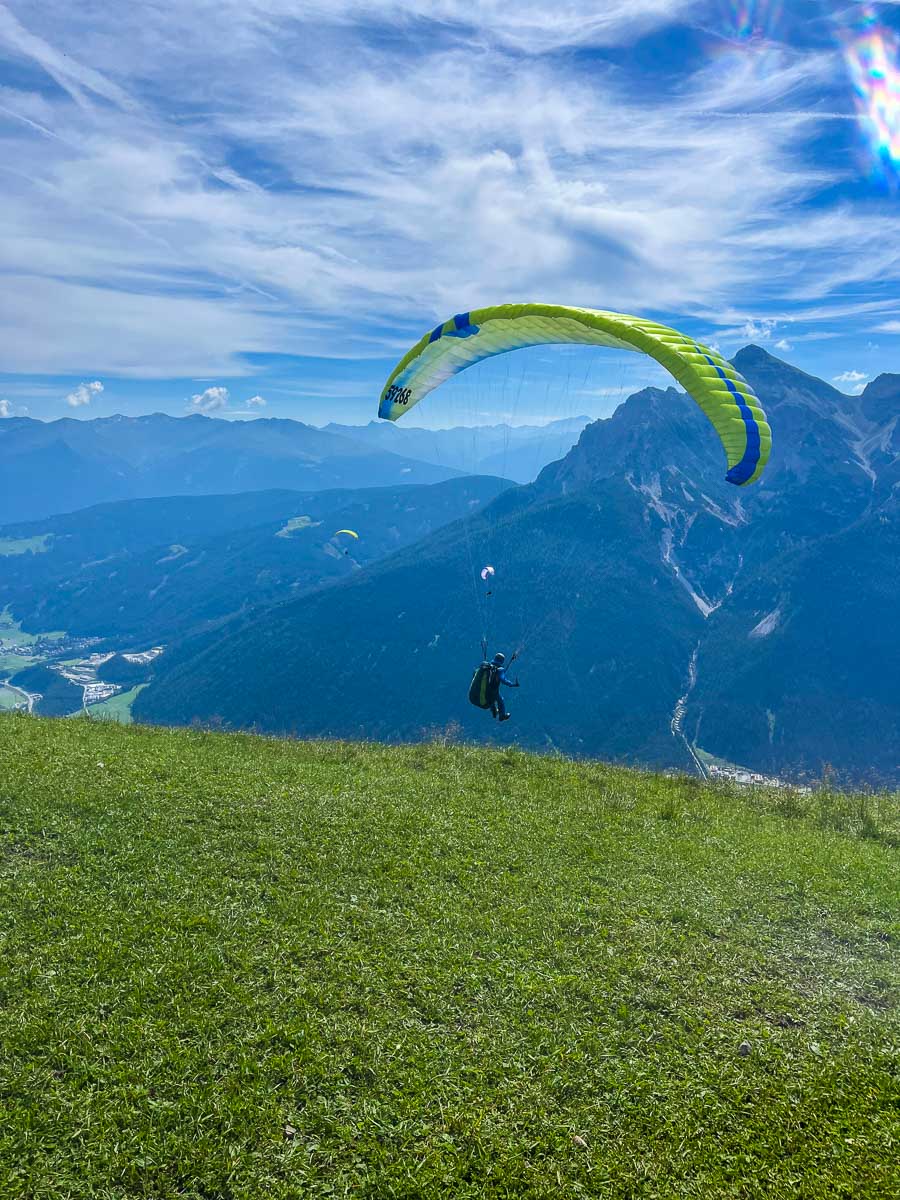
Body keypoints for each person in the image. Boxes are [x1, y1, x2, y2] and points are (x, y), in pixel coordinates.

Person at [488, 651, 519, 721]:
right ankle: (502, 716)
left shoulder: (489, 666)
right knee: (500, 700)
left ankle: (494, 711)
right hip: (494, 690)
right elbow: (503, 680)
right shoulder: (500, 670)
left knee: (491, 700)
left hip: (487, 689)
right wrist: (512, 684)